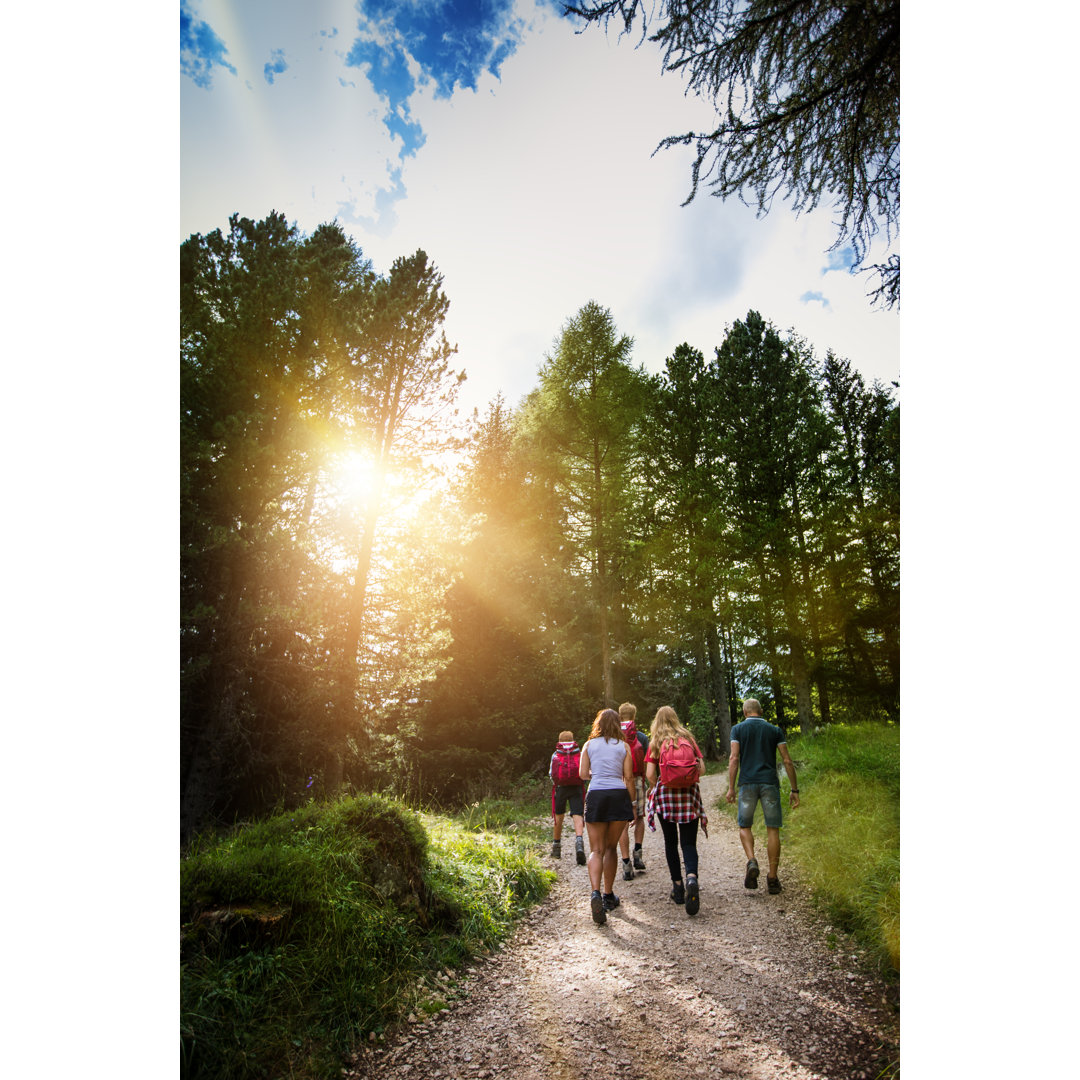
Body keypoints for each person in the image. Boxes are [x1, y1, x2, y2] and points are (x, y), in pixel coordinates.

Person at [726, 698, 800, 894]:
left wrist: (731, 788)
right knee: (773, 830)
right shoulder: (774, 730)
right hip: (770, 783)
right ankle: (773, 878)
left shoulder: (738, 730)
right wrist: (794, 790)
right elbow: (787, 760)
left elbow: (734, 758)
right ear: (761, 711)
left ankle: (751, 861)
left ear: (744, 713)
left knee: (745, 826)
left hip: (747, 783)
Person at [645, 706, 707, 915]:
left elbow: (650, 774)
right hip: (689, 795)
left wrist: (656, 786)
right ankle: (692, 877)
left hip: (666, 796)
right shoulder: (687, 737)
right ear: (675, 718)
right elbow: (702, 769)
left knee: (670, 842)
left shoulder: (656, 741)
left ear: (657, 721)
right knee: (689, 842)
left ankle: (678, 888)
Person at [579, 708, 636, 925]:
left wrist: (597, 773)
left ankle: (595, 893)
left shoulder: (588, 745)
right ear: (617, 724)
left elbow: (583, 774)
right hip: (617, 795)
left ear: (598, 724)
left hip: (596, 796)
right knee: (611, 848)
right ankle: (608, 895)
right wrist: (632, 806)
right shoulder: (623, 747)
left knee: (596, 849)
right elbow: (629, 777)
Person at [617, 702, 649, 879]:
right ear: (634, 716)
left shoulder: (613, 737)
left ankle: (626, 863)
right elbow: (646, 763)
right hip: (637, 780)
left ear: (619, 716)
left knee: (622, 822)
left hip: (619, 781)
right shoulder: (642, 738)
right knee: (640, 817)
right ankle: (638, 853)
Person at [549, 730, 587, 865]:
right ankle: (579, 843)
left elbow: (551, 774)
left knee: (559, 815)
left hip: (561, 788)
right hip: (576, 787)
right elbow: (584, 772)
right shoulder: (579, 753)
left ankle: (556, 848)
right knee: (577, 814)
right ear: (572, 739)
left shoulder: (556, 754)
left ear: (560, 741)